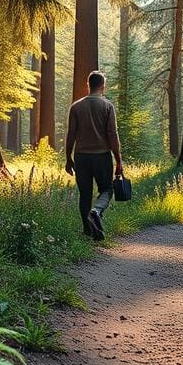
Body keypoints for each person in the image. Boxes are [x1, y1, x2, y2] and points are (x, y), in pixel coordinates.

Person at [65, 70, 124, 240]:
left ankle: (88, 230)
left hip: (81, 157)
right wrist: (118, 160)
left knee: (85, 193)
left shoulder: (76, 106)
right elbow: (112, 134)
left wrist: (68, 158)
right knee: (106, 189)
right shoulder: (107, 106)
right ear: (102, 86)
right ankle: (96, 212)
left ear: (88, 85)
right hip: (101, 156)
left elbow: (71, 134)